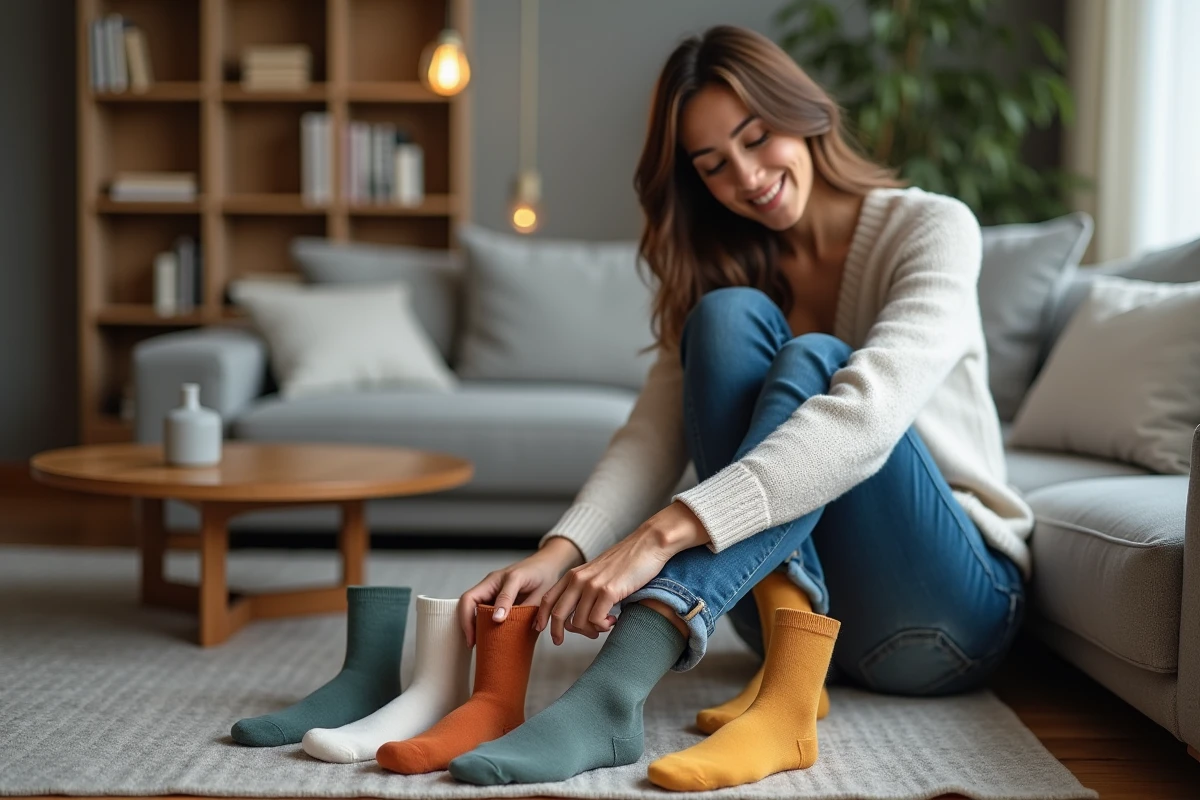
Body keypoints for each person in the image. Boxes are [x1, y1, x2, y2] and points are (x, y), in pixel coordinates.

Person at [446, 24, 1033, 790]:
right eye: (714, 165)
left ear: (806, 114)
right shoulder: (729, 262)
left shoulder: (932, 227)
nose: (749, 177)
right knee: (722, 317)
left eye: (759, 139)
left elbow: (865, 421)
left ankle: (614, 691)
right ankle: (790, 680)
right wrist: (558, 553)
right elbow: (652, 436)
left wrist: (660, 536)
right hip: (796, 629)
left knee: (818, 360)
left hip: (948, 615)